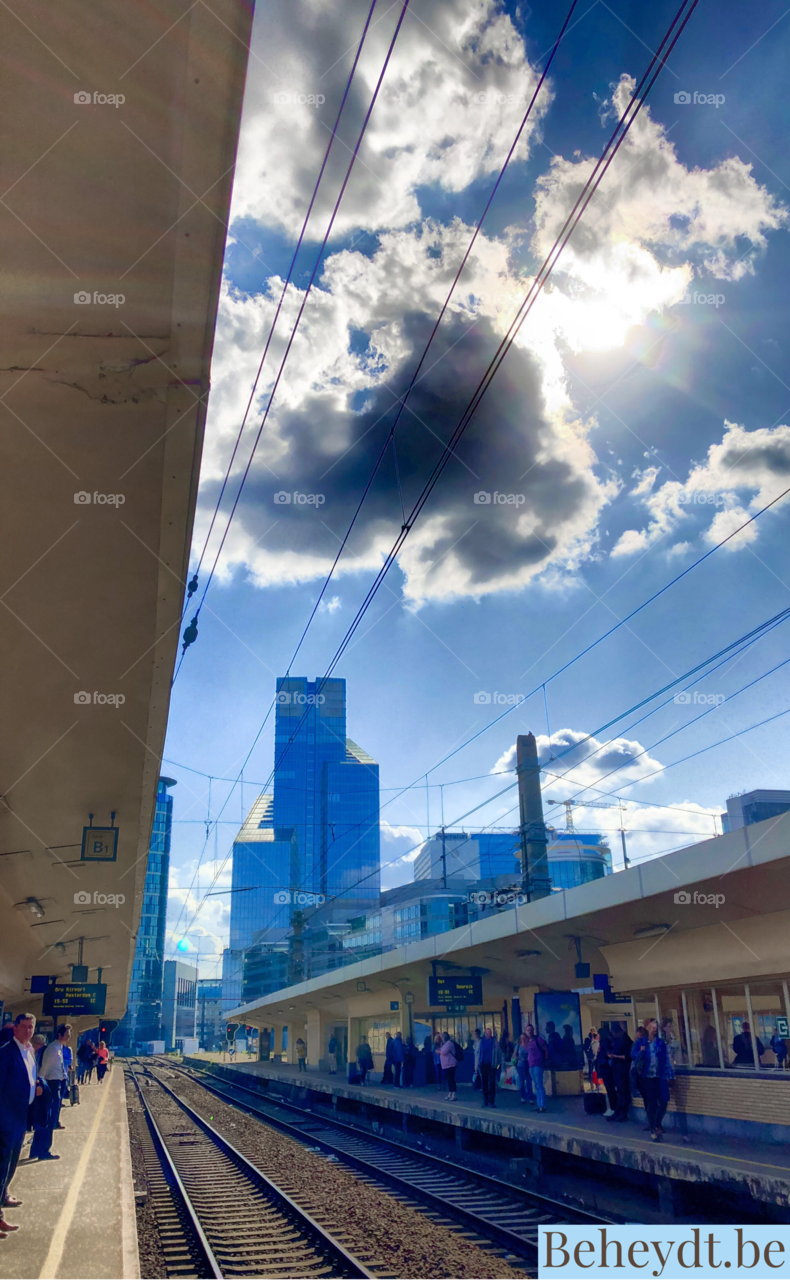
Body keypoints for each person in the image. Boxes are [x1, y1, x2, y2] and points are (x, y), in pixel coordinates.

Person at [0, 1013, 39, 1236]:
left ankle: (3, 1195)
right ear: (15, 1028)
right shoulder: (6, 1054)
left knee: (10, 1165)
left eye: (30, 1027)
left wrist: (39, 1085)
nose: (27, 1031)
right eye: (23, 1027)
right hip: (6, 1119)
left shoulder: (29, 1051)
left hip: (21, 1117)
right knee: (2, 1167)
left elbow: (29, 1078)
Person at [632, 1018, 674, 1141]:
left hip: (659, 1076)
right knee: (651, 1102)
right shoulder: (641, 1042)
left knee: (664, 1100)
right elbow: (633, 1056)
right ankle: (653, 1128)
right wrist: (640, 1052)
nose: (654, 1030)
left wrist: (670, 1075)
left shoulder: (660, 1043)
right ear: (647, 1028)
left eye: (655, 1028)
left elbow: (666, 1060)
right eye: (652, 1027)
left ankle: (656, 1124)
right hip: (647, 1077)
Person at [34, 1024, 72, 1156]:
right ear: (60, 1035)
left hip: (58, 1084)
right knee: (49, 1118)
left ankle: (37, 1150)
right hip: (51, 1085)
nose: (69, 1036)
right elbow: (44, 1068)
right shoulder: (53, 1049)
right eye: (67, 1033)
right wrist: (39, 1083)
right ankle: (43, 1150)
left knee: (51, 1118)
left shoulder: (60, 1048)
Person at [607, 1023, 633, 1122]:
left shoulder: (625, 1041)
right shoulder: (620, 1040)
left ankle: (623, 1113)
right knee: (620, 1091)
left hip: (623, 1069)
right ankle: (619, 1112)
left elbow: (627, 1056)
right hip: (618, 1069)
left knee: (623, 1091)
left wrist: (615, 1056)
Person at [596, 1026, 618, 1117]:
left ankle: (613, 1108)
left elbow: (608, 1054)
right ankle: (613, 1107)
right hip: (606, 1068)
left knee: (610, 1089)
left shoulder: (604, 1043)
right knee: (610, 1089)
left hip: (606, 1068)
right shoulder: (606, 1042)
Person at [525, 1025, 548, 1112]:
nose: (529, 1032)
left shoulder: (538, 1040)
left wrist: (545, 1060)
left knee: (540, 1084)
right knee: (536, 1085)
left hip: (538, 1064)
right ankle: (539, 1105)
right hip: (531, 1065)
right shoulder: (528, 1041)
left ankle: (543, 1105)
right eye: (527, 1030)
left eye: (530, 1030)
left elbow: (545, 1049)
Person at [479, 1027, 502, 1108]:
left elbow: (499, 1052)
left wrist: (500, 1063)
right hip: (483, 1064)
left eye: (490, 1033)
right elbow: (478, 1053)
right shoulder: (481, 1042)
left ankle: (492, 1100)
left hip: (492, 1064)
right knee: (484, 1082)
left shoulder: (495, 1042)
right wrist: (477, 1065)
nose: (489, 1035)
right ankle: (485, 1100)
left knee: (492, 1083)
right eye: (487, 1033)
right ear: (485, 1034)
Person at [439, 1031, 462, 1102]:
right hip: (446, 1065)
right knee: (449, 1080)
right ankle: (450, 1093)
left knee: (451, 1079)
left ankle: (454, 1094)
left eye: (442, 1036)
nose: (441, 1038)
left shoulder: (449, 1043)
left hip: (451, 1064)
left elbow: (443, 1051)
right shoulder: (445, 1043)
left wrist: (439, 1051)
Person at [516, 1032, 534, 1105]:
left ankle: (530, 1097)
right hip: (520, 1065)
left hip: (528, 1065)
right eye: (521, 1038)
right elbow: (514, 1055)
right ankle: (523, 1097)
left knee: (529, 1082)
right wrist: (519, 1058)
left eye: (524, 1038)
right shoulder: (518, 1046)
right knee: (521, 1082)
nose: (523, 1040)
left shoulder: (529, 1046)